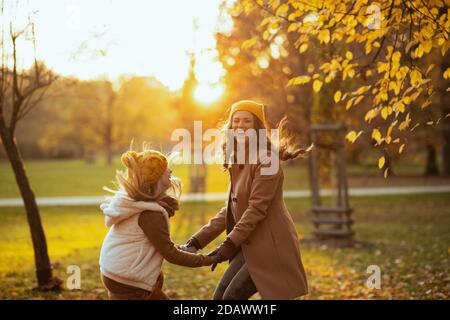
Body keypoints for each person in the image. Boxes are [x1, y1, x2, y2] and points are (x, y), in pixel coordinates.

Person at [181, 100, 309, 300]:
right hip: (250, 244)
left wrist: (229, 244)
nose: (240, 126)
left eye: (246, 122)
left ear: (257, 127)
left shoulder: (267, 159)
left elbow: (256, 208)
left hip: (270, 247)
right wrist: (196, 241)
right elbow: (231, 209)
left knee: (230, 300)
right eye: (236, 121)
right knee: (220, 297)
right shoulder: (238, 157)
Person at [99, 147, 215, 300]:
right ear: (157, 177)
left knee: (157, 281)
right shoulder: (151, 214)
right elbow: (170, 254)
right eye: (167, 168)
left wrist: (185, 249)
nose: (171, 171)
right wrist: (207, 259)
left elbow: (161, 245)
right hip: (127, 279)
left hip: (115, 271)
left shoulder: (140, 204)